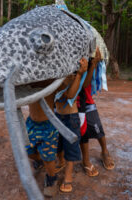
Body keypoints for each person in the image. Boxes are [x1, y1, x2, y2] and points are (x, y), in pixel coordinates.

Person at [78, 48, 115, 175]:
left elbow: (85, 85)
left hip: (86, 102)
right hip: (73, 104)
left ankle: (105, 152)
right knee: (82, 133)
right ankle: (86, 160)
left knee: (97, 128)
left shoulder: (87, 61)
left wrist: (93, 64)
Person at [55, 58, 88, 193]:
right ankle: (61, 162)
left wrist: (79, 74)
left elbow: (70, 95)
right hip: (56, 115)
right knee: (58, 144)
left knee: (70, 147)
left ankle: (68, 175)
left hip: (71, 117)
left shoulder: (74, 75)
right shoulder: (56, 74)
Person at [25, 89, 59, 197]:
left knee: (48, 158)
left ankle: (51, 178)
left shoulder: (51, 81)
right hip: (31, 124)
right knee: (27, 151)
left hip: (49, 126)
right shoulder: (28, 81)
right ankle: (40, 160)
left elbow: (68, 94)